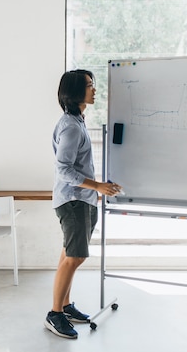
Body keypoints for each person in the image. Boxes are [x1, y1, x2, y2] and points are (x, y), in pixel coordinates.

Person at [44, 69, 123, 339]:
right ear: (76, 92)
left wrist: (95, 189)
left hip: (82, 199)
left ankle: (64, 306)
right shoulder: (70, 127)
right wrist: (98, 186)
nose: (95, 89)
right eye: (90, 85)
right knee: (75, 257)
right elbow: (63, 170)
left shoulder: (77, 121)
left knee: (69, 255)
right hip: (73, 201)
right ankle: (54, 314)